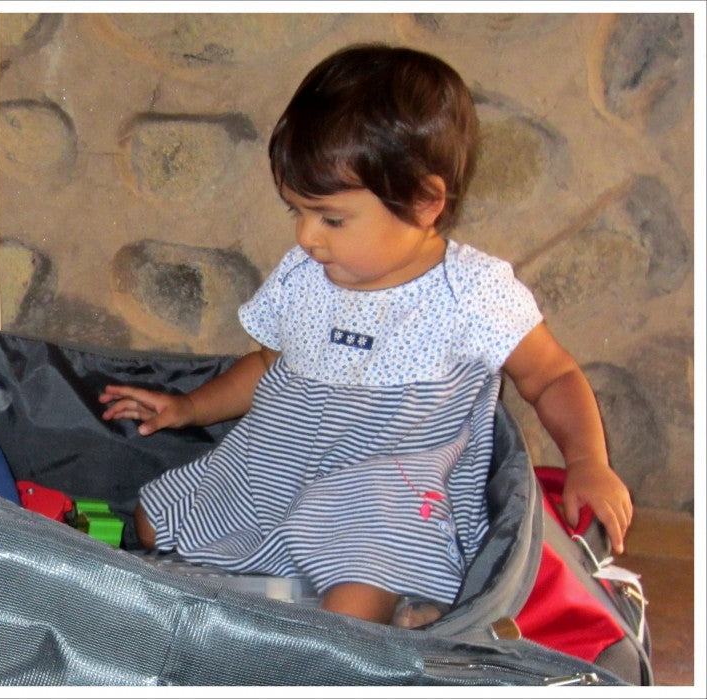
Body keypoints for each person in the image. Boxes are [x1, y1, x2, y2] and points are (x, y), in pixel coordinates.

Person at [99, 44, 632, 627]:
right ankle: (301, 585)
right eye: (295, 211)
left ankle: (373, 614)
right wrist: (189, 407)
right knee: (154, 520)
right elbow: (269, 363)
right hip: (281, 461)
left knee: (352, 608)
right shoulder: (305, 275)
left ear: (426, 202)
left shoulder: (473, 293)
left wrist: (587, 461)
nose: (306, 236)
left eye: (329, 218)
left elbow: (551, 375)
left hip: (385, 490)